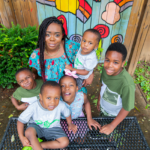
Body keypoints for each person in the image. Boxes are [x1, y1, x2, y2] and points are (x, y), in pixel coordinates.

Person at [29, 16, 94, 94]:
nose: (52, 39)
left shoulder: (71, 47)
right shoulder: (37, 56)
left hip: (75, 94)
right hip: (54, 98)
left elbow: (90, 56)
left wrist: (90, 73)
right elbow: (36, 76)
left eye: (57, 35)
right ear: (42, 35)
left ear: (62, 35)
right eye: (47, 34)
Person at [17, 81, 77, 150]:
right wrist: (22, 137)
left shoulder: (61, 105)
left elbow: (67, 113)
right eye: (48, 98)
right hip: (36, 126)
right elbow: (20, 121)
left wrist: (70, 123)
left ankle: (37, 145)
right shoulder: (34, 106)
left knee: (65, 142)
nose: (53, 102)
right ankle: (36, 145)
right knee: (28, 132)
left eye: (56, 98)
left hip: (53, 127)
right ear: (41, 97)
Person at [97, 42, 135, 135]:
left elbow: (127, 108)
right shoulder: (105, 70)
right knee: (102, 125)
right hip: (103, 107)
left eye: (115, 62)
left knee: (111, 133)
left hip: (115, 115)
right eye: (107, 60)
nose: (109, 65)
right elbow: (102, 85)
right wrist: (99, 100)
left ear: (123, 63)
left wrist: (112, 125)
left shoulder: (126, 84)